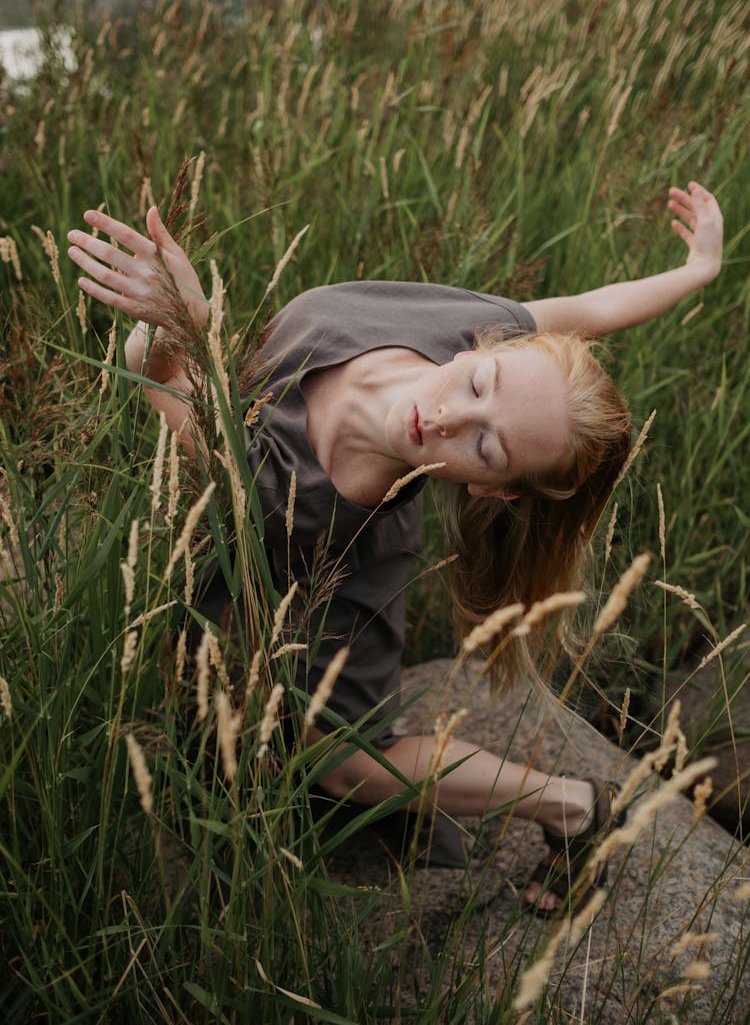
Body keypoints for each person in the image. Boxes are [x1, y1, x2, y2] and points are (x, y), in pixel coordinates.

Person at [67, 180, 723, 913]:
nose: (446, 416)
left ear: (496, 490)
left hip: (342, 563)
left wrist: (180, 331)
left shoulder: (301, 498)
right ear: (489, 348)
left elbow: (160, 377)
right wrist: (698, 270)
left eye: (485, 445)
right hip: (275, 504)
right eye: (480, 383)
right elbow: (589, 309)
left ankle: (572, 804)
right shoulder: (462, 325)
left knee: (346, 764)